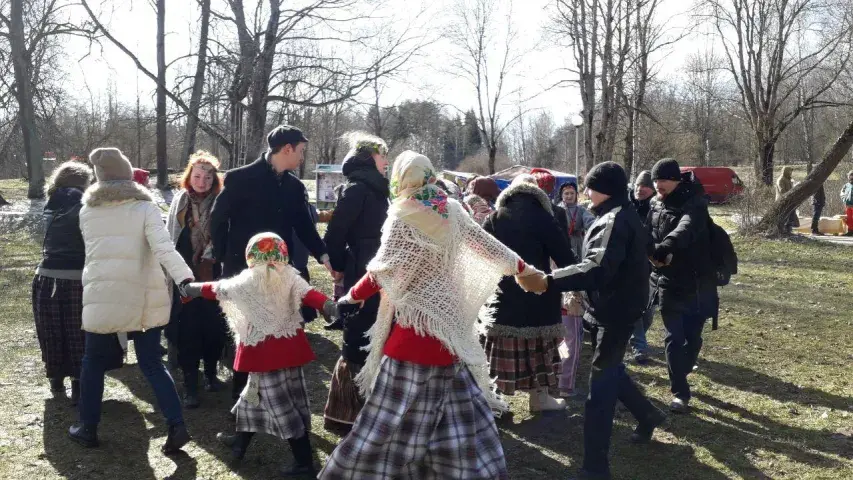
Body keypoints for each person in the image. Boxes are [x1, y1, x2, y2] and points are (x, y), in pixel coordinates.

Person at [318, 151, 547, 479]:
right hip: (449, 342)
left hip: (409, 345)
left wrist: (350, 299)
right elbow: (488, 246)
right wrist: (525, 270)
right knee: (461, 434)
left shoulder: (402, 215)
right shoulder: (452, 211)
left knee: (382, 435)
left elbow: (381, 272)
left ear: (399, 180)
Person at [69, 148, 194, 454]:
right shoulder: (145, 208)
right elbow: (164, 248)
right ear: (127, 174)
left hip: (102, 296)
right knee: (151, 362)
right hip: (141, 296)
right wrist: (185, 279)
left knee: (93, 363)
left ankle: (88, 427)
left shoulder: (87, 211)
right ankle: (176, 425)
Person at [548, 161, 666, 480]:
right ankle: (648, 414)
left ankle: (594, 468)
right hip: (609, 309)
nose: (585, 191)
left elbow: (597, 269)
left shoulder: (614, 219)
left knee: (600, 390)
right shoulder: (614, 214)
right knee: (612, 372)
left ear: (606, 190)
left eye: (590, 186)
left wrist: (550, 280)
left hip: (617, 313)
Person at [182, 233, 337, 476]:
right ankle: (240, 443)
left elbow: (218, 289)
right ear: (283, 253)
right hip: (289, 350)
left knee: (282, 406)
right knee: (252, 397)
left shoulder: (248, 279)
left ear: (250, 255)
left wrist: (191, 288)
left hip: (264, 355)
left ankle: (304, 462)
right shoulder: (290, 276)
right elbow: (310, 294)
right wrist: (328, 305)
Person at [210, 124, 333, 399]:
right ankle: (241, 398)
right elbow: (217, 220)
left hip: (279, 274)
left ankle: (275, 394)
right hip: (243, 271)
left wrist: (323, 254)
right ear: (286, 149)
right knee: (246, 332)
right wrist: (222, 258)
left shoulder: (294, 186)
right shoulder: (238, 178)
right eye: (300, 151)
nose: (302, 158)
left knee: (280, 330)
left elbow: (304, 225)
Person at [481, 174, 575, 412]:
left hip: (503, 297)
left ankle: (493, 400)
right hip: (539, 295)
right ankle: (539, 398)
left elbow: (480, 257)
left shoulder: (494, 218)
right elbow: (565, 258)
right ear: (537, 194)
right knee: (540, 348)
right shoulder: (545, 217)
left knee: (498, 350)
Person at [321, 132, 390, 434]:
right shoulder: (358, 188)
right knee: (359, 334)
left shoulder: (378, 189)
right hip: (363, 269)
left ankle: (370, 409)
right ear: (368, 157)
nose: (386, 161)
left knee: (374, 332)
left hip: (379, 269)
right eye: (382, 155)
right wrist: (337, 267)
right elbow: (336, 233)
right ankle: (349, 410)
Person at [647, 158, 714, 413]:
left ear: (675, 180)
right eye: (656, 180)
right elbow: (646, 232)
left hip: (698, 282)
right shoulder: (655, 203)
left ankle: (683, 369)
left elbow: (685, 228)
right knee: (674, 337)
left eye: (663, 180)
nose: (658, 185)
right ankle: (680, 393)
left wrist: (666, 247)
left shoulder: (695, 202)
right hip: (666, 280)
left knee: (693, 338)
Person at [165, 151, 228, 408]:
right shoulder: (180, 201)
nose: (202, 181)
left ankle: (212, 374)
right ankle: (191, 384)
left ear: (215, 179)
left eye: (208, 176)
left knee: (214, 327)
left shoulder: (222, 201)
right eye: (198, 176)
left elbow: (225, 234)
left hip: (213, 274)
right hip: (184, 275)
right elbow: (170, 236)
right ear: (189, 177)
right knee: (187, 331)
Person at [32, 161, 93, 406]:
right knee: (78, 333)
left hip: (45, 276)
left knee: (51, 331)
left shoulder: (51, 202)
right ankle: (79, 383)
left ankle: (56, 379)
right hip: (75, 277)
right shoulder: (82, 203)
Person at [553, 179, 595, 398]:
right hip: (559, 268)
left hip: (575, 257)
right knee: (567, 327)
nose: (568, 197)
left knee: (568, 325)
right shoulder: (556, 212)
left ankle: (562, 379)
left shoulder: (581, 211)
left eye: (572, 193)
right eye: (566, 193)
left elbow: (591, 223)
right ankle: (562, 380)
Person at [628, 170, 656, 364]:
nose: (640, 189)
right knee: (636, 306)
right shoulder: (626, 206)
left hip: (653, 265)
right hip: (630, 266)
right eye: (638, 185)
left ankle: (636, 337)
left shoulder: (657, 208)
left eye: (645, 186)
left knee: (649, 309)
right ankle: (639, 346)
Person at [776, 166, 799, 234]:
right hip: (783, 201)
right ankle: (784, 230)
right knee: (785, 216)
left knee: (791, 216)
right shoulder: (781, 179)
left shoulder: (788, 179)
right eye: (789, 171)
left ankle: (789, 230)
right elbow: (782, 191)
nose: (790, 173)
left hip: (789, 201)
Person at [840, 170, 853, 236]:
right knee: (849, 218)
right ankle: (850, 231)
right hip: (848, 205)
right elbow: (842, 193)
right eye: (850, 175)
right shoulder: (846, 185)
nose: (851, 177)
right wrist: (844, 199)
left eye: (851, 175)